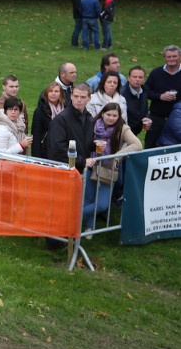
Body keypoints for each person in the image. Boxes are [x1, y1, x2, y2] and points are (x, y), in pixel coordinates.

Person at [82, 102, 141, 236]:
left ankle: (74, 217)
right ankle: (89, 228)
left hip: (109, 169)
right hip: (91, 165)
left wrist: (117, 157)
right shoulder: (93, 123)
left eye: (115, 115)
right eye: (108, 114)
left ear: (119, 116)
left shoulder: (122, 128)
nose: (111, 118)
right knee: (89, 200)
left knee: (102, 204)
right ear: (102, 113)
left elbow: (137, 145)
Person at [48, 83, 95, 174]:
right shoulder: (60, 120)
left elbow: (85, 143)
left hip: (81, 172)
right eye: (76, 96)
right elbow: (58, 149)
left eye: (83, 97)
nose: (79, 100)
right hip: (64, 171)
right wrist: (82, 161)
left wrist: (95, 145)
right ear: (71, 96)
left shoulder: (89, 118)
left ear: (89, 98)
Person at [144, 45, 181, 148]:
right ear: (164, 58)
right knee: (150, 147)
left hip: (178, 120)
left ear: (179, 57)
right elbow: (145, 91)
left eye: (174, 56)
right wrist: (160, 96)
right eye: (169, 57)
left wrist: (177, 98)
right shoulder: (156, 73)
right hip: (157, 118)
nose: (171, 59)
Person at [31, 82, 65, 159]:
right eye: (51, 91)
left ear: (61, 94)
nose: (53, 94)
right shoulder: (40, 111)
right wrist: (36, 157)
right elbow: (36, 135)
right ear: (47, 94)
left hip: (61, 150)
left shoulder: (66, 109)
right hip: (45, 150)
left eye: (56, 91)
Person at [121, 66, 151, 135]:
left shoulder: (144, 91)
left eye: (140, 77)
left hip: (135, 131)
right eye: (134, 77)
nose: (137, 80)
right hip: (124, 132)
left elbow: (145, 109)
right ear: (128, 78)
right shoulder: (122, 94)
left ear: (144, 79)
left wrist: (147, 118)